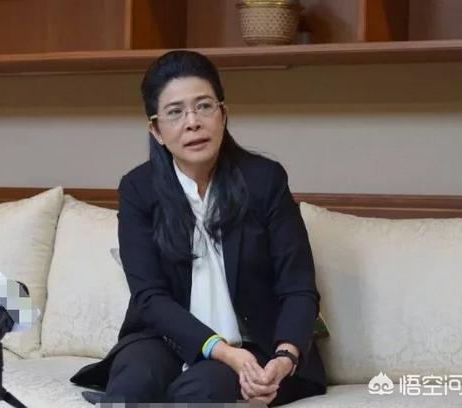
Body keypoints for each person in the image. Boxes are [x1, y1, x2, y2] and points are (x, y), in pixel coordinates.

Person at [70, 50, 327, 405]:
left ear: (223, 114)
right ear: (156, 130)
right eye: (175, 112)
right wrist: (219, 350)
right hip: (164, 339)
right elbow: (149, 297)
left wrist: (284, 358)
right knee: (133, 380)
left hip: (251, 346)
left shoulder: (264, 181)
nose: (192, 122)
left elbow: (299, 287)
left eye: (204, 106)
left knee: (202, 390)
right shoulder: (138, 190)